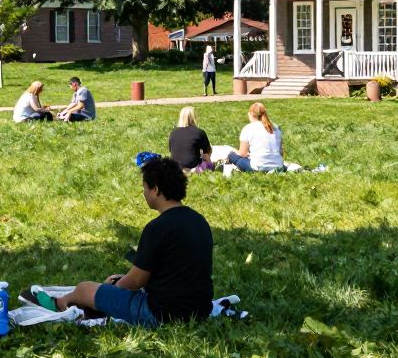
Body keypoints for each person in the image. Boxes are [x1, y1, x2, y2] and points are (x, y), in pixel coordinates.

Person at [55, 156, 213, 326]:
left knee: (84, 288)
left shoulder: (158, 227)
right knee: (113, 283)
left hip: (161, 314)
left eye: (145, 187)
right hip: (200, 310)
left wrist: (113, 288)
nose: (144, 193)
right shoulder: (199, 220)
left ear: (156, 189)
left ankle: (62, 303)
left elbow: (136, 281)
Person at [226, 102, 285, 173]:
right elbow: (281, 152)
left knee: (232, 156)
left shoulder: (248, 128)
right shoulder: (275, 127)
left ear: (251, 114)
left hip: (258, 167)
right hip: (278, 166)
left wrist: (235, 152)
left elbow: (242, 154)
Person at [168, 106, 213, 172]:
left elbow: (171, 151)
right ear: (194, 117)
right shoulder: (199, 132)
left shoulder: (173, 132)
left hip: (175, 167)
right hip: (193, 166)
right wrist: (211, 166)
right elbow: (206, 153)